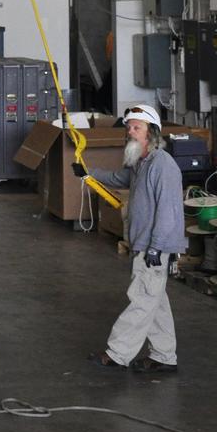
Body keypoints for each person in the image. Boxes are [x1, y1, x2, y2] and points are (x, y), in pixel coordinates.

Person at [74, 103, 187, 373]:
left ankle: (117, 353)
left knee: (141, 300)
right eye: (129, 128)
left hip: (153, 247)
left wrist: (155, 248)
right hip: (143, 243)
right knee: (154, 302)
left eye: (137, 128)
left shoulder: (163, 166)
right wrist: (88, 173)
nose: (130, 133)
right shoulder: (140, 162)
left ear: (152, 133)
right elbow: (117, 177)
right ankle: (164, 356)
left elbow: (168, 213)